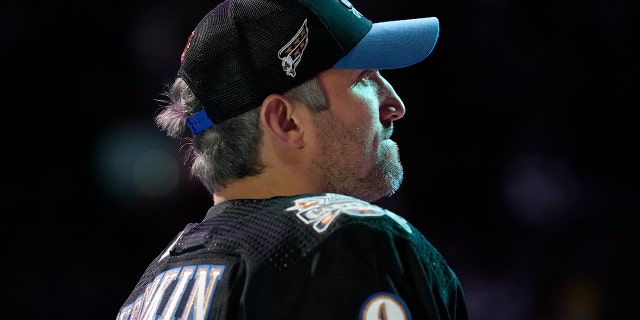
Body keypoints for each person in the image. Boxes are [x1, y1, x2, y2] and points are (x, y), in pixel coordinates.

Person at [116, 0, 470, 319]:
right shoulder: (348, 244)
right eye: (364, 78)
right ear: (286, 121)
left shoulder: (147, 293)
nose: (395, 105)